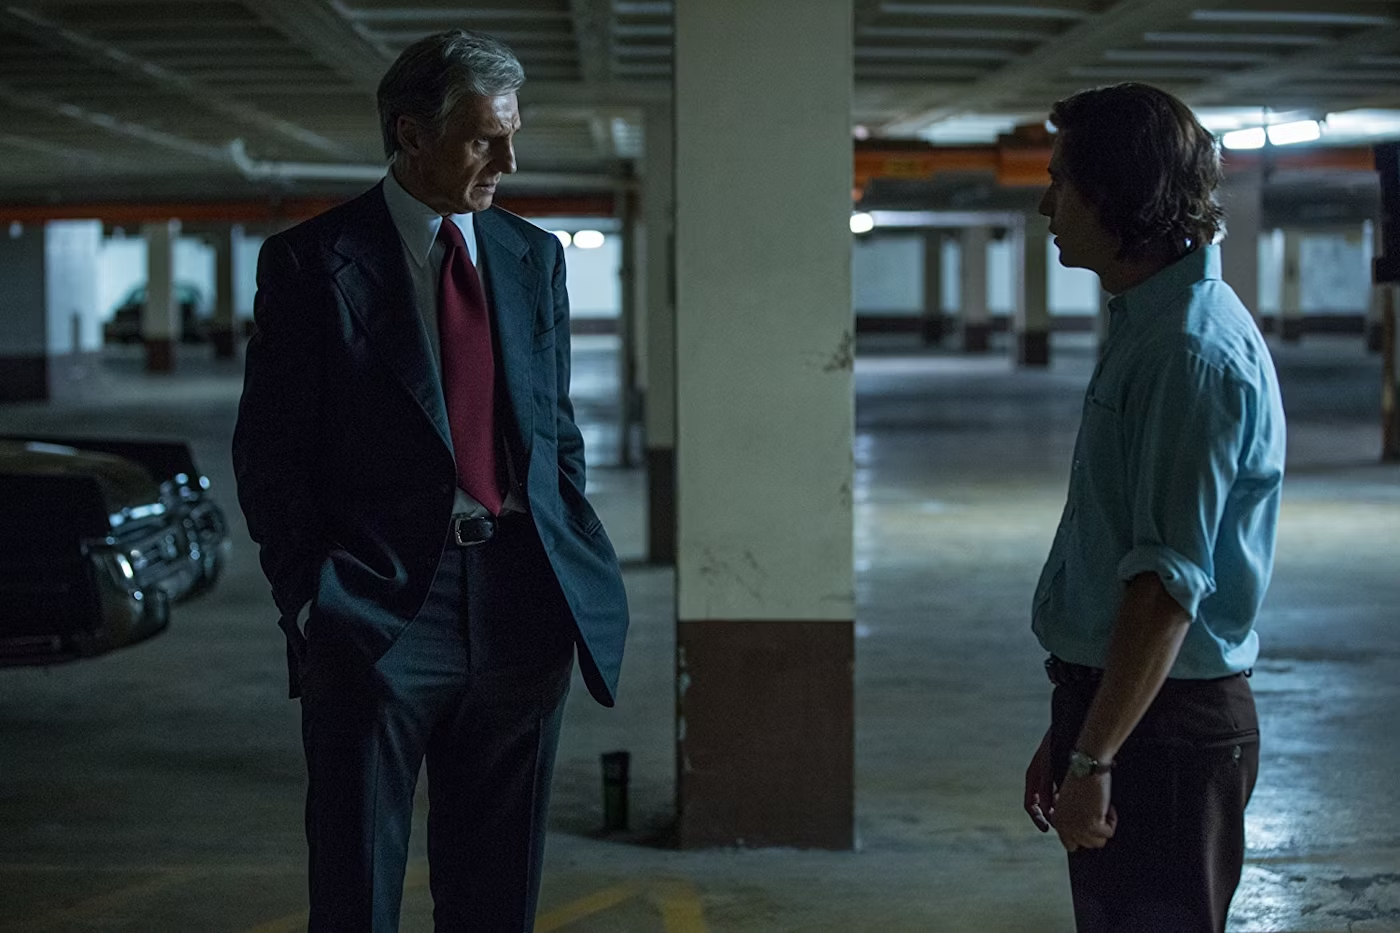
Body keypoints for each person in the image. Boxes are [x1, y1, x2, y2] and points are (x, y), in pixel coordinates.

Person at [232, 29, 629, 932]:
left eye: (512, 135)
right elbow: (270, 453)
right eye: (484, 137)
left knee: (498, 894)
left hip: (523, 596)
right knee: (356, 889)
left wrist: (569, 551)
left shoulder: (534, 257)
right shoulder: (312, 262)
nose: (508, 161)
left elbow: (554, 431)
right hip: (378, 605)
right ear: (410, 133)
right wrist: (311, 598)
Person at [1021, 83, 1286, 932]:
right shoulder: (1150, 324)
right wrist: (1076, 731)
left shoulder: (1187, 351)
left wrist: (1096, 753)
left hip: (1166, 733)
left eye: (1060, 182)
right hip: (1135, 708)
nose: (1047, 204)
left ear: (1117, 194)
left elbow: (1165, 586)